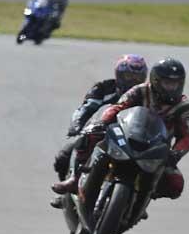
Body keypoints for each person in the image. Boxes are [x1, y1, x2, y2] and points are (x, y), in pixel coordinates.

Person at [61, 57, 189, 206]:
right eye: (167, 83)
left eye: (175, 84)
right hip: (126, 135)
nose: (171, 88)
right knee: (91, 136)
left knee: (175, 185)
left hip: (156, 149)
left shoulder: (183, 106)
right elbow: (117, 107)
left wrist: (175, 153)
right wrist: (102, 123)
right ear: (156, 80)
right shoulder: (140, 90)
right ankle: (76, 178)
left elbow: (185, 137)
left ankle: (141, 200)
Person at [50, 54, 148, 208]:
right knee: (64, 155)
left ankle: (138, 201)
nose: (133, 81)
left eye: (137, 78)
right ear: (119, 75)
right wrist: (77, 124)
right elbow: (86, 108)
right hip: (100, 132)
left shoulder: (146, 95)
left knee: (152, 164)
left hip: (129, 139)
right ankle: (71, 185)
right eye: (129, 76)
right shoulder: (103, 88)